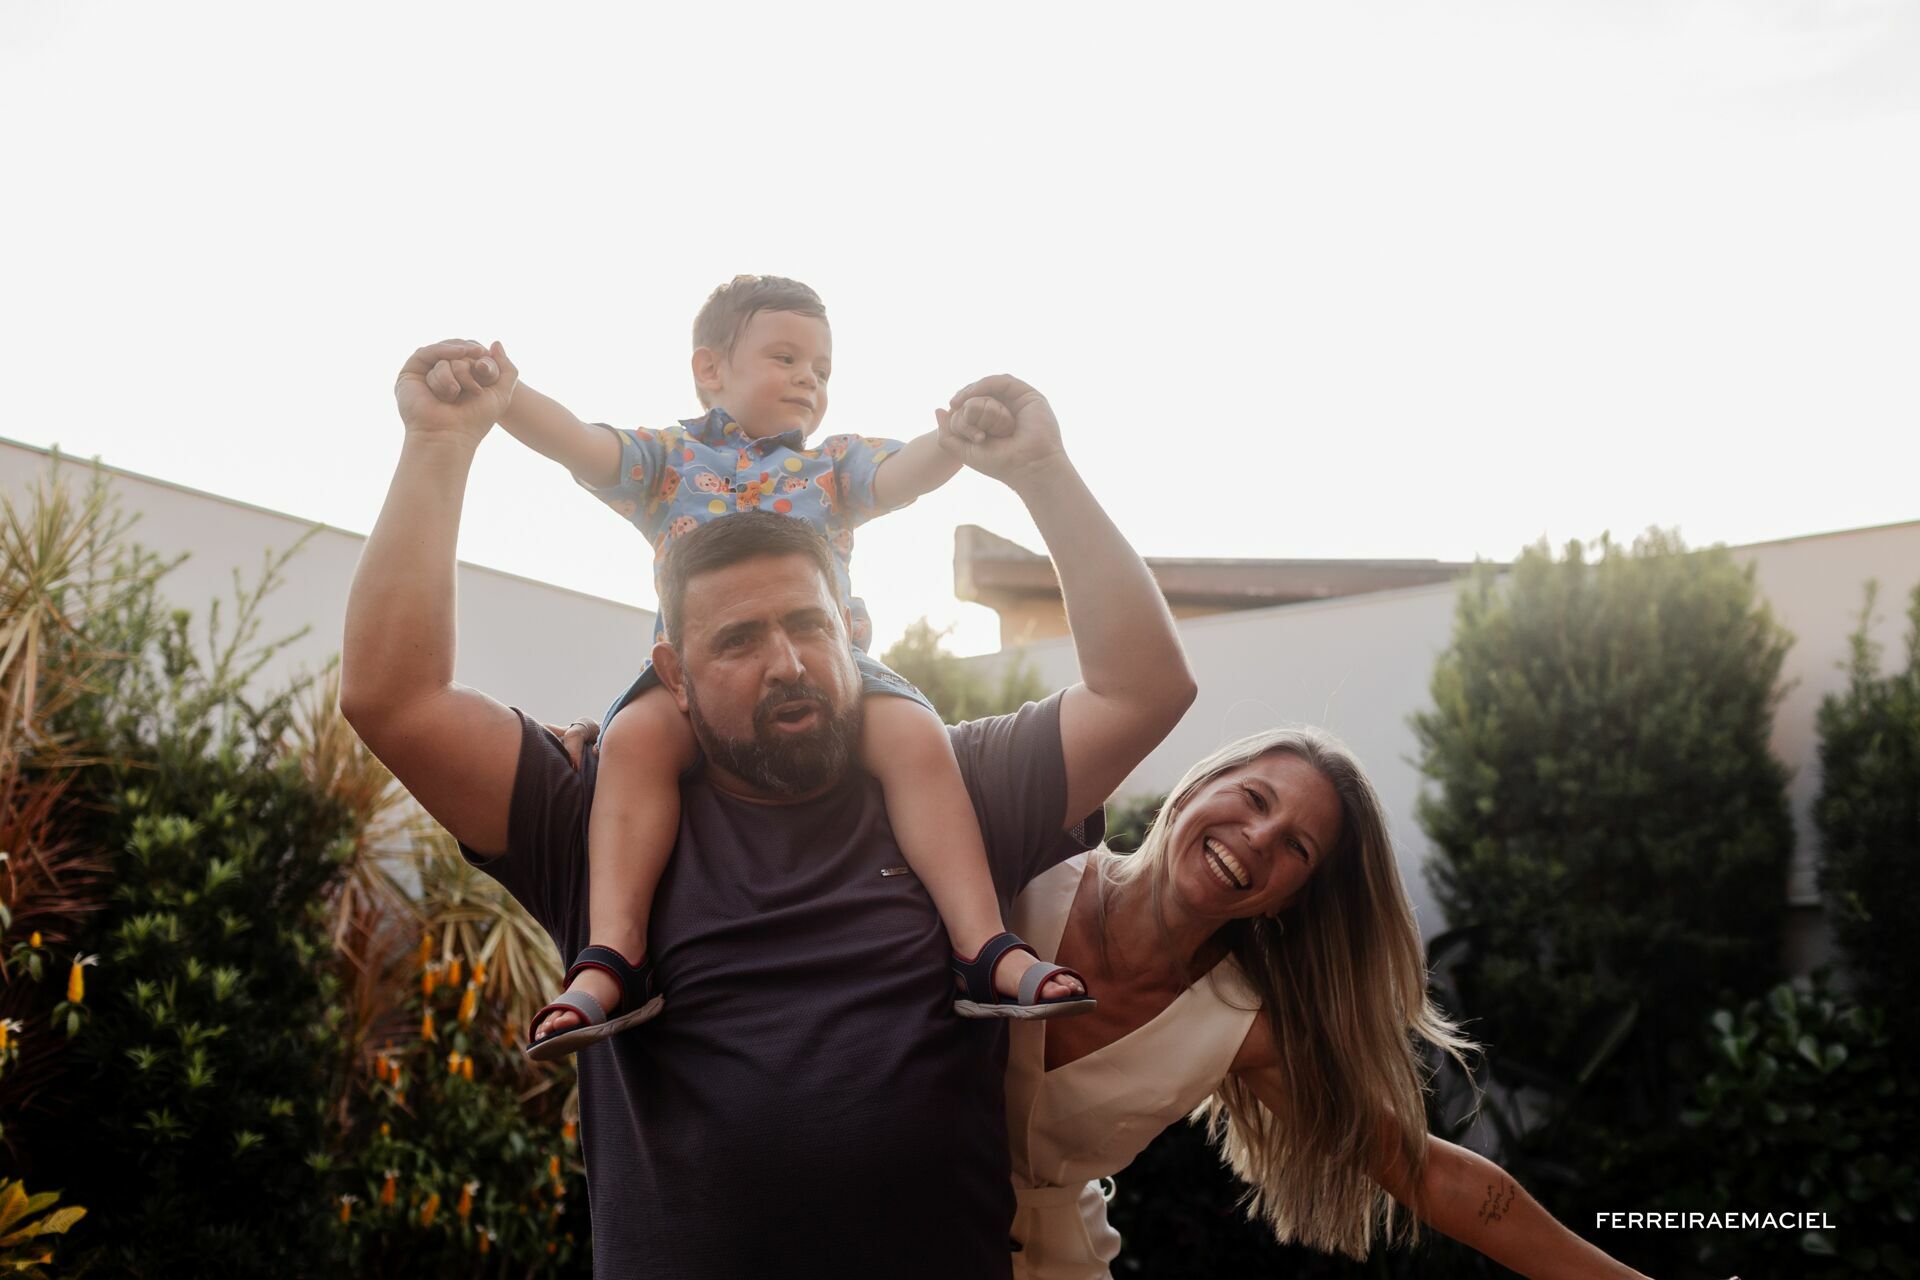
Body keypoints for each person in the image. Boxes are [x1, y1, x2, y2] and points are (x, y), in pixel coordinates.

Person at [340, 343, 1196, 1278]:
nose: (786, 663)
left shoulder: (956, 790)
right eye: (739, 640)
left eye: (808, 626)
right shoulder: (590, 818)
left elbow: (1143, 690)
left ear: (854, 633)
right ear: (671, 674)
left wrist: (1042, 474)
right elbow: (394, 699)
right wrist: (438, 442)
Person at [482, 275, 1088, 1059]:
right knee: (633, 742)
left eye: (824, 369)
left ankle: (985, 949)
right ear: (710, 369)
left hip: (833, 678)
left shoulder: (833, 468)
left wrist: (960, 438)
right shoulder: (667, 462)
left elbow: (907, 474)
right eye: (786, 357)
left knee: (913, 732)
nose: (810, 379)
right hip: (698, 684)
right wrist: (505, 393)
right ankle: (613, 958)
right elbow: (577, 442)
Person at [997, 726, 1656, 1279]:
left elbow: (1429, 1175)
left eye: (1297, 847)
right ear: (1196, 786)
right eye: (1254, 798)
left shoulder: (1243, 1027)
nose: (1259, 836)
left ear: (1288, 901)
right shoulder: (1023, 875)